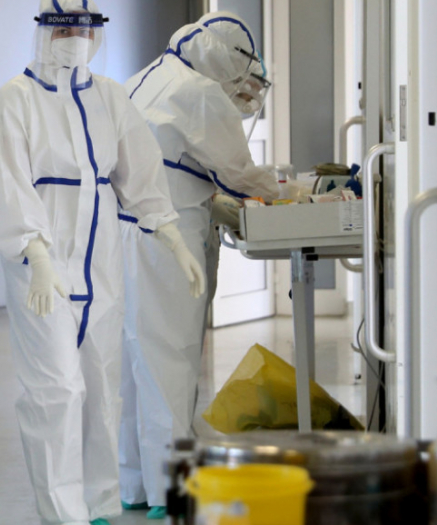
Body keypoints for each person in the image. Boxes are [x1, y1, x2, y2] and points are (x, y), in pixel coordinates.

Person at [0, 2, 205, 524]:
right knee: (55, 391)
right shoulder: (14, 100)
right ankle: (63, 514)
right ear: (43, 32)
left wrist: (172, 235)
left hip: (100, 259)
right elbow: (7, 184)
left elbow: (139, 172)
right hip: (42, 267)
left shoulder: (109, 97)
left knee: (103, 385)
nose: (74, 38)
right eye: (63, 28)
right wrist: (36, 253)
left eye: (84, 28)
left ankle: (99, 503)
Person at [118, 12, 280, 519]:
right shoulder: (200, 93)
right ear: (225, 60)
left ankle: (135, 482)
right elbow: (238, 175)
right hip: (170, 238)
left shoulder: (145, 77)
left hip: (123, 232)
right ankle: (172, 490)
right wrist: (289, 190)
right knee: (172, 356)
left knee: (134, 360)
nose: (244, 89)